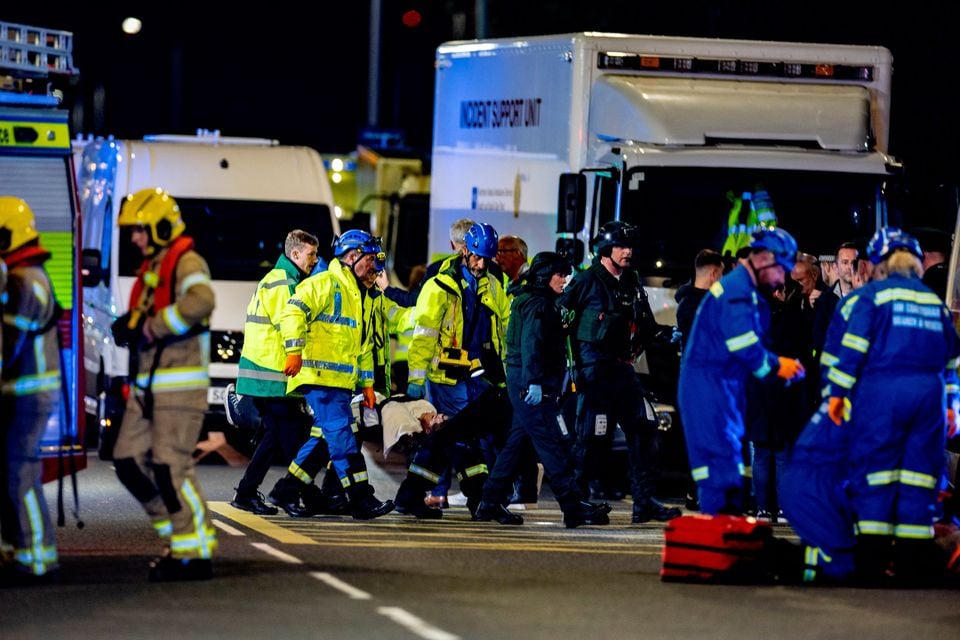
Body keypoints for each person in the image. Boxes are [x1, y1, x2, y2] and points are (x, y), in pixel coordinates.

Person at [823, 227, 960, 586]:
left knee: (877, 474)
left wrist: (837, 394)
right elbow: (952, 362)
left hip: (882, 392)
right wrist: (952, 407)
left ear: (882, 263)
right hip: (929, 396)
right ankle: (913, 564)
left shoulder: (873, 297)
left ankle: (873, 561)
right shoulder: (933, 302)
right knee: (919, 478)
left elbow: (853, 347)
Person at [111, 187, 217, 581]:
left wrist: (151, 326)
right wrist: (131, 326)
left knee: (172, 468)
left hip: (178, 389)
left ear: (159, 225)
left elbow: (202, 300)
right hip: (149, 388)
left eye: (139, 229)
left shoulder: (187, 261)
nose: (135, 238)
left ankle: (194, 550)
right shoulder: (155, 266)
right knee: (127, 461)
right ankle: (182, 533)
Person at [475, 252, 611, 528]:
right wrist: (534, 382)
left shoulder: (538, 301)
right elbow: (532, 345)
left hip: (525, 381)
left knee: (516, 443)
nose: (565, 279)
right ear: (544, 276)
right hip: (529, 384)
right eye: (560, 274)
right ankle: (572, 506)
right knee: (551, 443)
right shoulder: (538, 305)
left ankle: (489, 501)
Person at [678, 227, 806, 516]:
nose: (780, 279)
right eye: (780, 270)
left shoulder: (742, 289)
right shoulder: (738, 292)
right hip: (710, 391)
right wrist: (780, 367)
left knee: (728, 472)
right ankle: (717, 543)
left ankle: (722, 539)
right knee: (719, 474)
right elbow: (745, 347)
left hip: (719, 390)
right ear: (763, 260)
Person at [561, 220, 680, 523]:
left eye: (630, 247)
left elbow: (646, 324)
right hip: (594, 371)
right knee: (590, 438)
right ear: (605, 248)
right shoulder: (586, 281)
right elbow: (560, 317)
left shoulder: (632, 280)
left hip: (622, 370)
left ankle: (643, 502)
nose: (628, 252)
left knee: (644, 430)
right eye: (621, 246)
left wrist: (670, 335)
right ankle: (577, 504)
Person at [279, 229, 395, 520]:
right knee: (343, 437)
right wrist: (294, 351)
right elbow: (291, 314)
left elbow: (363, 345)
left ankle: (287, 490)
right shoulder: (325, 283)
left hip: (338, 382)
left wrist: (367, 384)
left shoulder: (358, 295)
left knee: (323, 438)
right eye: (370, 260)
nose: (375, 268)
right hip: (319, 377)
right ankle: (360, 499)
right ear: (352, 257)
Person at [402, 222, 510, 516]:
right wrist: (416, 377)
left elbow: (504, 327)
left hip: (477, 377)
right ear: (464, 251)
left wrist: (503, 372)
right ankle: (481, 500)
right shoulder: (439, 286)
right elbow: (424, 335)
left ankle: (411, 496)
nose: (481, 263)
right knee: (463, 436)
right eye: (476, 256)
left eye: (487, 258)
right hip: (445, 377)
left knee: (451, 438)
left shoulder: (492, 286)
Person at [229, 230, 323, 516]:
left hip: (263, 373)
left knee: (276, 436)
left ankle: (250, 492)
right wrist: (299, 355)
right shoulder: (285, 284)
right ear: (295, 255)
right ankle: (294, 493)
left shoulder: (278, 279)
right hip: (273, 374)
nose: (314, 260)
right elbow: (290, 326)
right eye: (310, 255)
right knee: (294, 435)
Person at [0, 197, 61, 585]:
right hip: (25, 392)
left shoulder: (25, 280)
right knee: (13, 473)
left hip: (27, 395)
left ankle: (38, 558)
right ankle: (21, 550)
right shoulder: (27, 274)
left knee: (20, 474)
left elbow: (8, 343)